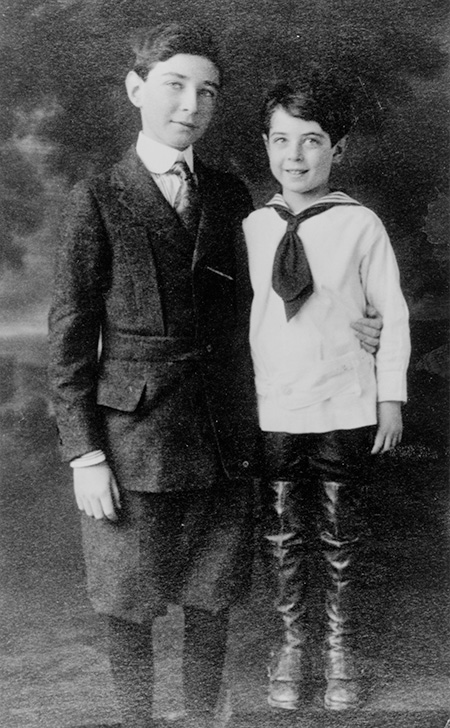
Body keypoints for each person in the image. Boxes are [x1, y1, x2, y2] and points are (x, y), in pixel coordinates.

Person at [48, 23, 383, 728]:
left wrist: (360, 321)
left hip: (226, 426)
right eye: (174, 85)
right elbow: (71, 336)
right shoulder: (100, 196)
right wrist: (84, 453)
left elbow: (271, 294)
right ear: (137, 89)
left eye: (206, 92)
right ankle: (136, 721)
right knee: (126, 593)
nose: (190, 104)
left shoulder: (232, 196)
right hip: (132, 435)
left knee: (213, 591)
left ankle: (202, 718)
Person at [242, 75, 410, 713]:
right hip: (274, 405)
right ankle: (292, 644)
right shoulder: (253, 227)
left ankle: (340, 648)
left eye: (312, 141)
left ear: (337, 149)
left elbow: (388, 314)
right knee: (282, 530)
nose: (296, 155)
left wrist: (388, 396)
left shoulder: (360, 225)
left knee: (340, 531)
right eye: (282, 140)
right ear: (265, 145)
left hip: (344, 401)